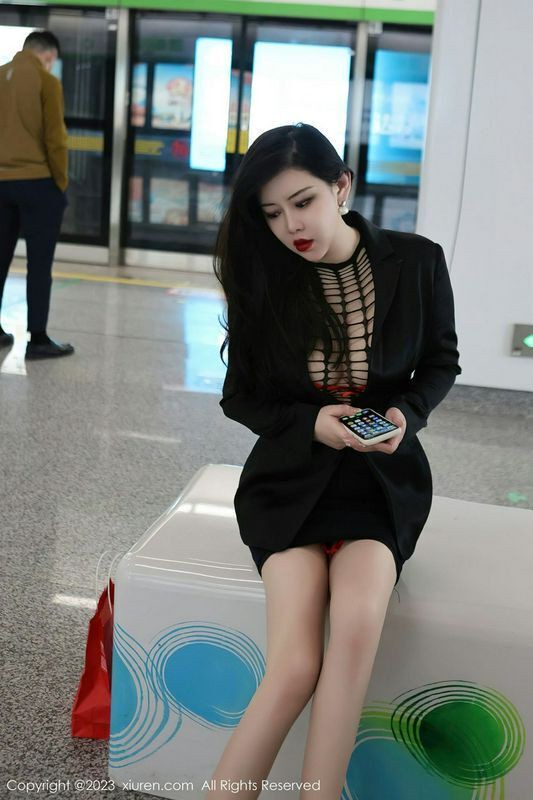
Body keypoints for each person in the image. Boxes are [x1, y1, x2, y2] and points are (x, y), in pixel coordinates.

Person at [208, 123, 461, 799]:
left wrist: (406, 414)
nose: (290, 225)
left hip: (379, 484)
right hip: (289, 483)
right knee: (293, 666)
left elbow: (441, 360)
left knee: (352, 632)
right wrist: (311, 425)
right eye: (271, 213)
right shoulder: (266, 278)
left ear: (340, 186)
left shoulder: (417, 261)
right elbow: (241, 398)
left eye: (303, 202)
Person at [0, 29, 74, 359]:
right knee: (39, 264)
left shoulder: (0, 75)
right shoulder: (47, 82)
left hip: (0, 182)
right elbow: (55, 138)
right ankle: (38, 339)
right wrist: (60, 182)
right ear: (48, 56)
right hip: (37, 182)